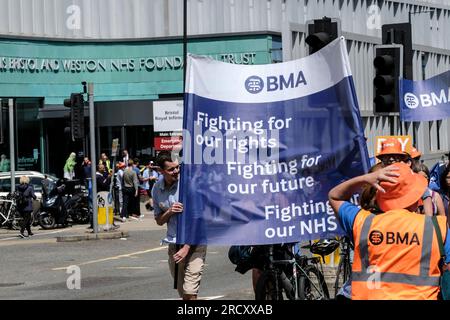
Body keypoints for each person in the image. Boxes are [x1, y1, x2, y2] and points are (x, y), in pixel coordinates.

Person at [328, 162, 450, 300]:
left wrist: (365, 178)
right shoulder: (437, 228)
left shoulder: (362, 222)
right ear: (416, 197)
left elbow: (334, 196)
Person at [152, 151, 207, 300]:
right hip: (174, 244)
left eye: (177, 167)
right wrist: (169, 211)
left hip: (195, 243)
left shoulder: (188, 184)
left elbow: (198, 218)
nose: (176, 171)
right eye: (171, 169)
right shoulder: (157, 189)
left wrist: (187, 247)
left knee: (190, 292)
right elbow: (159, 221)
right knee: (184, 294)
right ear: (161, 171)